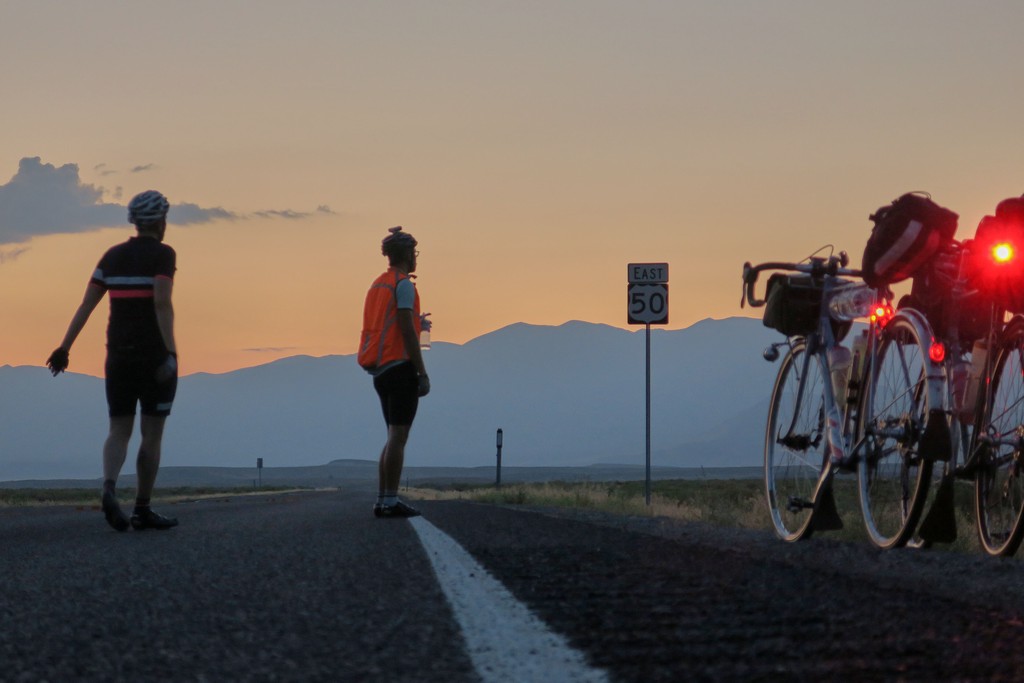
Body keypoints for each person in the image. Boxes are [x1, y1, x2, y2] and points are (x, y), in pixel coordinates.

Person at [47, 190, 180, 531]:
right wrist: (171, 353)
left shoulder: (112, 256)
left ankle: (108, 486)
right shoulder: (163, 255)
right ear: (161, 221)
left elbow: (86, 305)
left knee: (118, 429)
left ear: (134, 222)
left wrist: (64, 347)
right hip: (153, 358)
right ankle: (142, 509)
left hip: (117, 357)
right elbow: (162, 303)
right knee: (152, 433)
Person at [358, 226, 430, 518]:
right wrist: (421, 372)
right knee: (399, 436)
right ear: (407, 255)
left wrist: (417, 324)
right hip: (400, 367)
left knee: (391, 436)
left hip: (380, 369)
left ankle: (383, 498)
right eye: (414, 253)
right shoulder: (403, 285)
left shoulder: (378, 284)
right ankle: (389, 501)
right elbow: (404, 329)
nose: (415, 258)